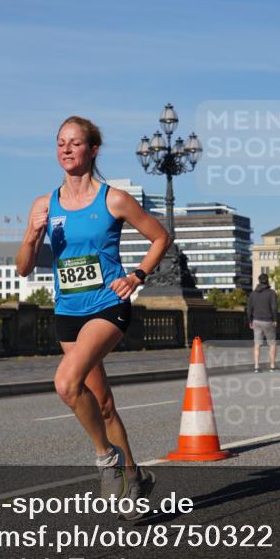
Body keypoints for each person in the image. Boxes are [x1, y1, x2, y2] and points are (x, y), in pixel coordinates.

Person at [16, 115, 170, 518]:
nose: (66, 149)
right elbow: (22, 268)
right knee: (101, 403)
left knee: (66, 384)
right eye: (60, 143)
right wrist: (32, 236)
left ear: (93, 149)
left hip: (108, 305)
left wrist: (137, 275)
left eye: (75, 143)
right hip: (68, 310)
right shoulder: (43, 204)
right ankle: (134, 477)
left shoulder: (113, 199)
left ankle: (107, 460)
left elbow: (160, 237)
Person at [246, 273, 279, 371]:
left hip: (256, 320)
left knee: (257, 344)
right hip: (268, 320)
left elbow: (249, 309)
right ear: (267, 281)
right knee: (272, 343)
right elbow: (274, 308)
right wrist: (275, 319)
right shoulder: (272, 293)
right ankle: (272, 366)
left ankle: (256, 366)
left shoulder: (253, 294)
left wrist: (250, 320)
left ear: (259, 281)